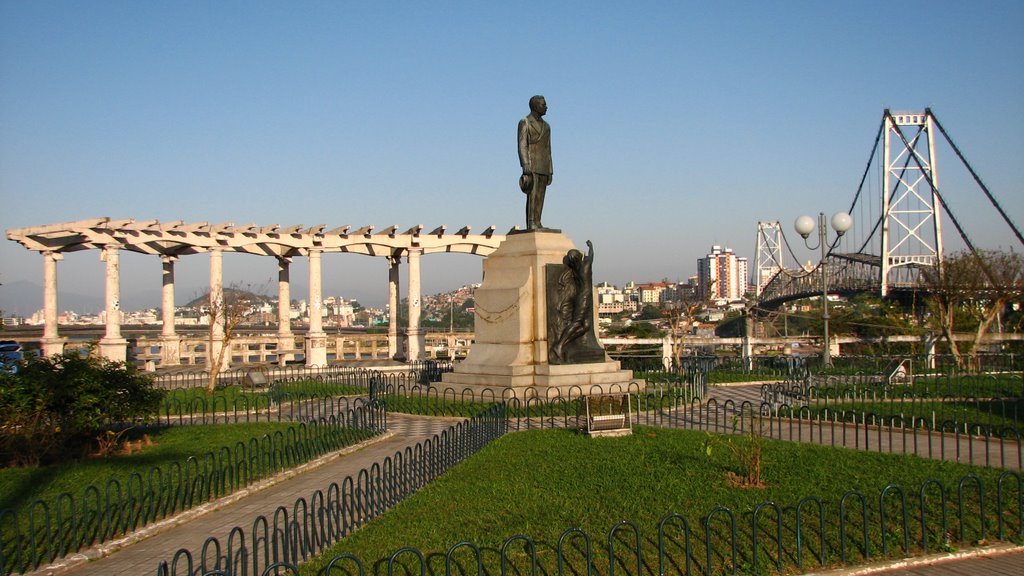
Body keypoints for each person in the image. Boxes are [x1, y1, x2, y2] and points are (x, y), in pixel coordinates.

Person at [518, 95, 552, 230]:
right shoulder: (525, 122)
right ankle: (531, 222)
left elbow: (548, 149)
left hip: (544, 165)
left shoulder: (547, 126)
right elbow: (522, 145)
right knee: (532, 196)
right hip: (531, 164)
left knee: (540, 196)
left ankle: (538, 222)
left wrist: (550, 169)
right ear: (535, 106)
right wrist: (525, 163)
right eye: (543, 105)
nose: (546, 107)